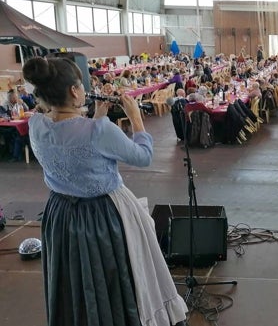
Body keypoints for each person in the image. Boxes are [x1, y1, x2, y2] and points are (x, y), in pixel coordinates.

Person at [22, 57, 188, 326]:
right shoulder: (100, 131)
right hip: (102, 216)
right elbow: (142, 156)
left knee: (75, 276)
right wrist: (136, 119)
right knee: (113, 274)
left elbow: (73, 149)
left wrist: (97, 114)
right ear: (76, 91)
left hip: (61, 215)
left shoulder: (36, 125)